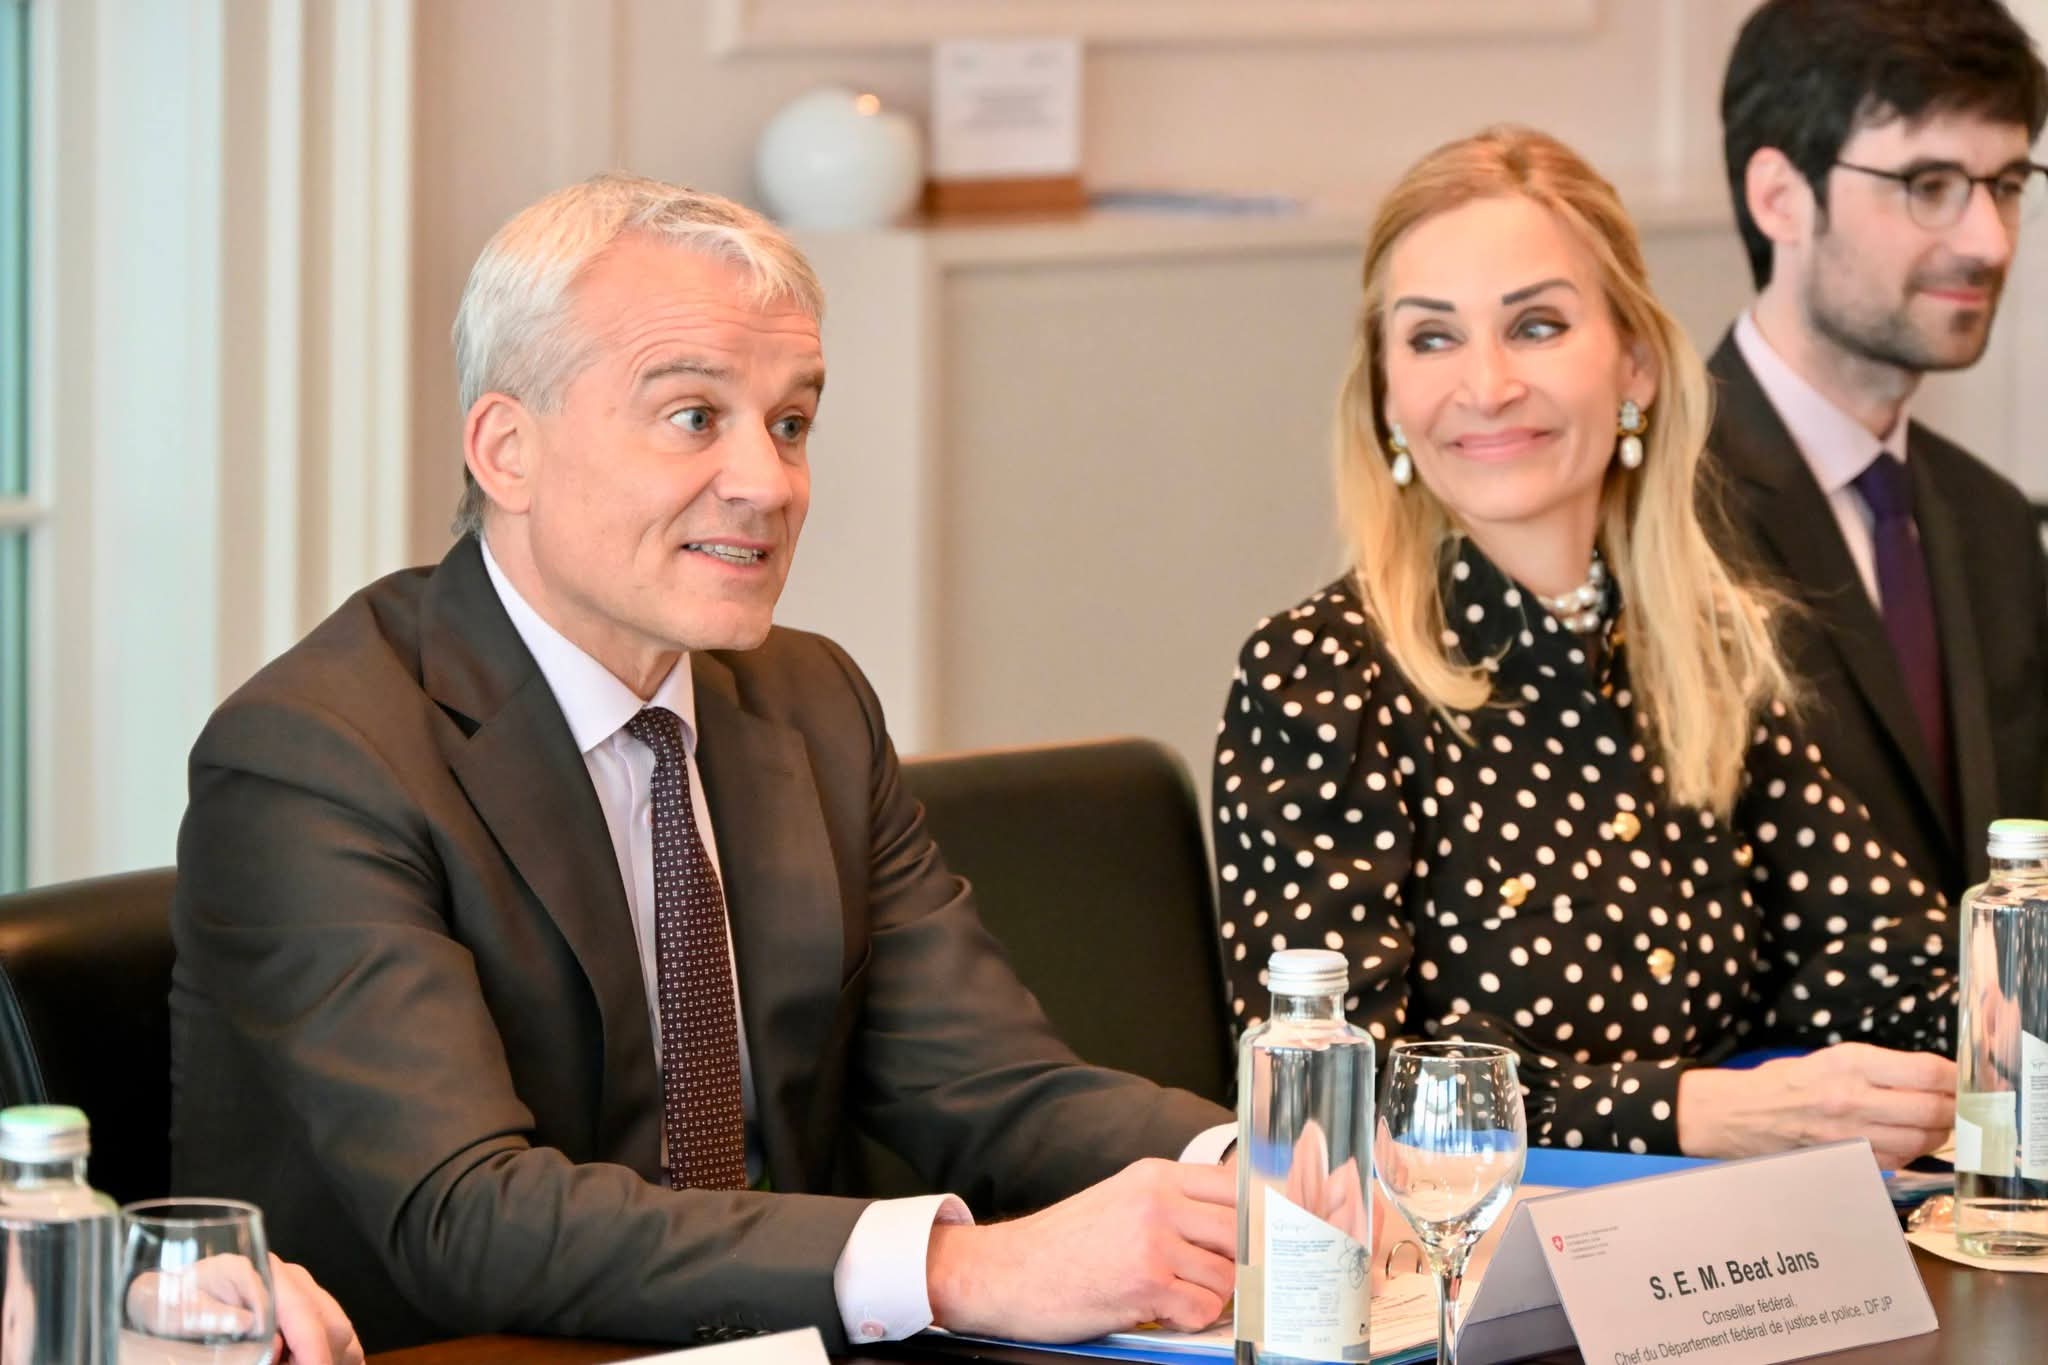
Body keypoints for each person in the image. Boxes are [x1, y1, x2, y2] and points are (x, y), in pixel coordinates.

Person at [169, 175, 1237, 1354]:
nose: (768, 483)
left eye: (790, 424)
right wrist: (960, 1267)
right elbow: (470, 1215)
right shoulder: (318, 754)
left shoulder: (810, 701)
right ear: (507, 451)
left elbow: (984, 1085)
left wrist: (1257, 1172)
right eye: (692, 416)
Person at [1213, 126, 1957, 1171]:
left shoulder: (1704, 651)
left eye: (1536, 326)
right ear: (1384, 395)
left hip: (1731, 1250)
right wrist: (1691, 1112)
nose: (1485, 385)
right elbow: (1329, 1100)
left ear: (1635, 366)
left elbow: (1893, 971)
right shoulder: (1318, 676)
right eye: (1430, 338)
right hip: (1468, 1260)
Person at [1709, 0, 2048, 897]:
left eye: (2007, 185)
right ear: (1780, 198)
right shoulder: (1658, 506)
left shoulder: (1993, 519)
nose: (1988, 241)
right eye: (1929, 185)